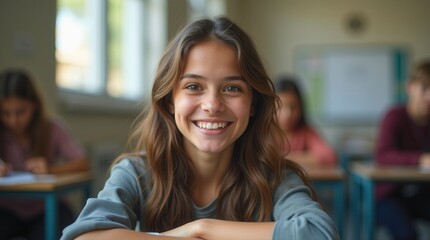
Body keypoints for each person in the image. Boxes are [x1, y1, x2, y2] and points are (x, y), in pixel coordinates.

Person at [61, 17, 339, 240]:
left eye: (232, 88)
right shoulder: (137, 173)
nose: (213, 104)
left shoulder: (276, 177)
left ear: (253, 104)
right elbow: (85, 236)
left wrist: (201, 229)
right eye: (194, 86)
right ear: (170, 100)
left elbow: (320, 233)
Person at [0, 69, 90, 240]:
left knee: (66, 233)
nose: (13, 120)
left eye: (20, 112)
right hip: (6, 211)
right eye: (6, 113)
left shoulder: (52, 128)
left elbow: (83, 163)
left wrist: (51, 169)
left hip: (47, 209)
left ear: (34, 105)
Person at [375, 59, 430, 240]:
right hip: (389, 195)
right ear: (410, 87)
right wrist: (420, 159)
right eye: (424, 88)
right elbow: (383, 155)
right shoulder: (394, 116)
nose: (429, 96)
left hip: (422, 192)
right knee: (407, 234)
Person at [275, 76, 337, 167]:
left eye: (293, 107)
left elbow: (329, 156)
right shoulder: (263, 131)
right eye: (280, 106)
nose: (287, 114)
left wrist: (280, 158)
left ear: (301, 108)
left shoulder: (305, 132)